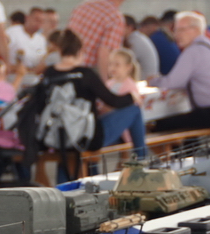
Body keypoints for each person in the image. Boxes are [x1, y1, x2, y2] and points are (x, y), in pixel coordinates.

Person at [45, 29, 145, 157]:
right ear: (80, 52)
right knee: (134, 110)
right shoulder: (86, 74)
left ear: (60, 51)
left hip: (57, 135)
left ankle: (90, 168)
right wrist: (132, 96)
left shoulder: (49, 73)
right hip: (86, 136)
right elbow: (113, 101)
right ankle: (141, 159)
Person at [147, 11, 210, 132]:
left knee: (161, 124)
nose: (176, 35)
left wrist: (152, 81)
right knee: (181, 119)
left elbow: (172, 83)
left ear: (195, 30)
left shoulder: (194, 50)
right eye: (175, 30)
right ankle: (193, 145)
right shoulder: (207, 45)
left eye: (181, 30)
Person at [67, 0, 128, 80]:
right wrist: (105, 84)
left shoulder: (84, 5)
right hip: (87, 73)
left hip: (66, 66)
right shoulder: (115, 18)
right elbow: (104, 54)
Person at [6, 7, 47, 73]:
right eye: (36, 20)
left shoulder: (41, 39)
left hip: (33, 74)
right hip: (13, 74)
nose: (38, 24)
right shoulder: (12, 32)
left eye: (41, 21)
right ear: (27, 18)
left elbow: (41, 57)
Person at [123, 15, 159, 80]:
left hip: (145, 80)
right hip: (150, 77)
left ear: (129, 27)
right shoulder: (139, 37)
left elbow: (123, 63)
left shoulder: (134, 41)